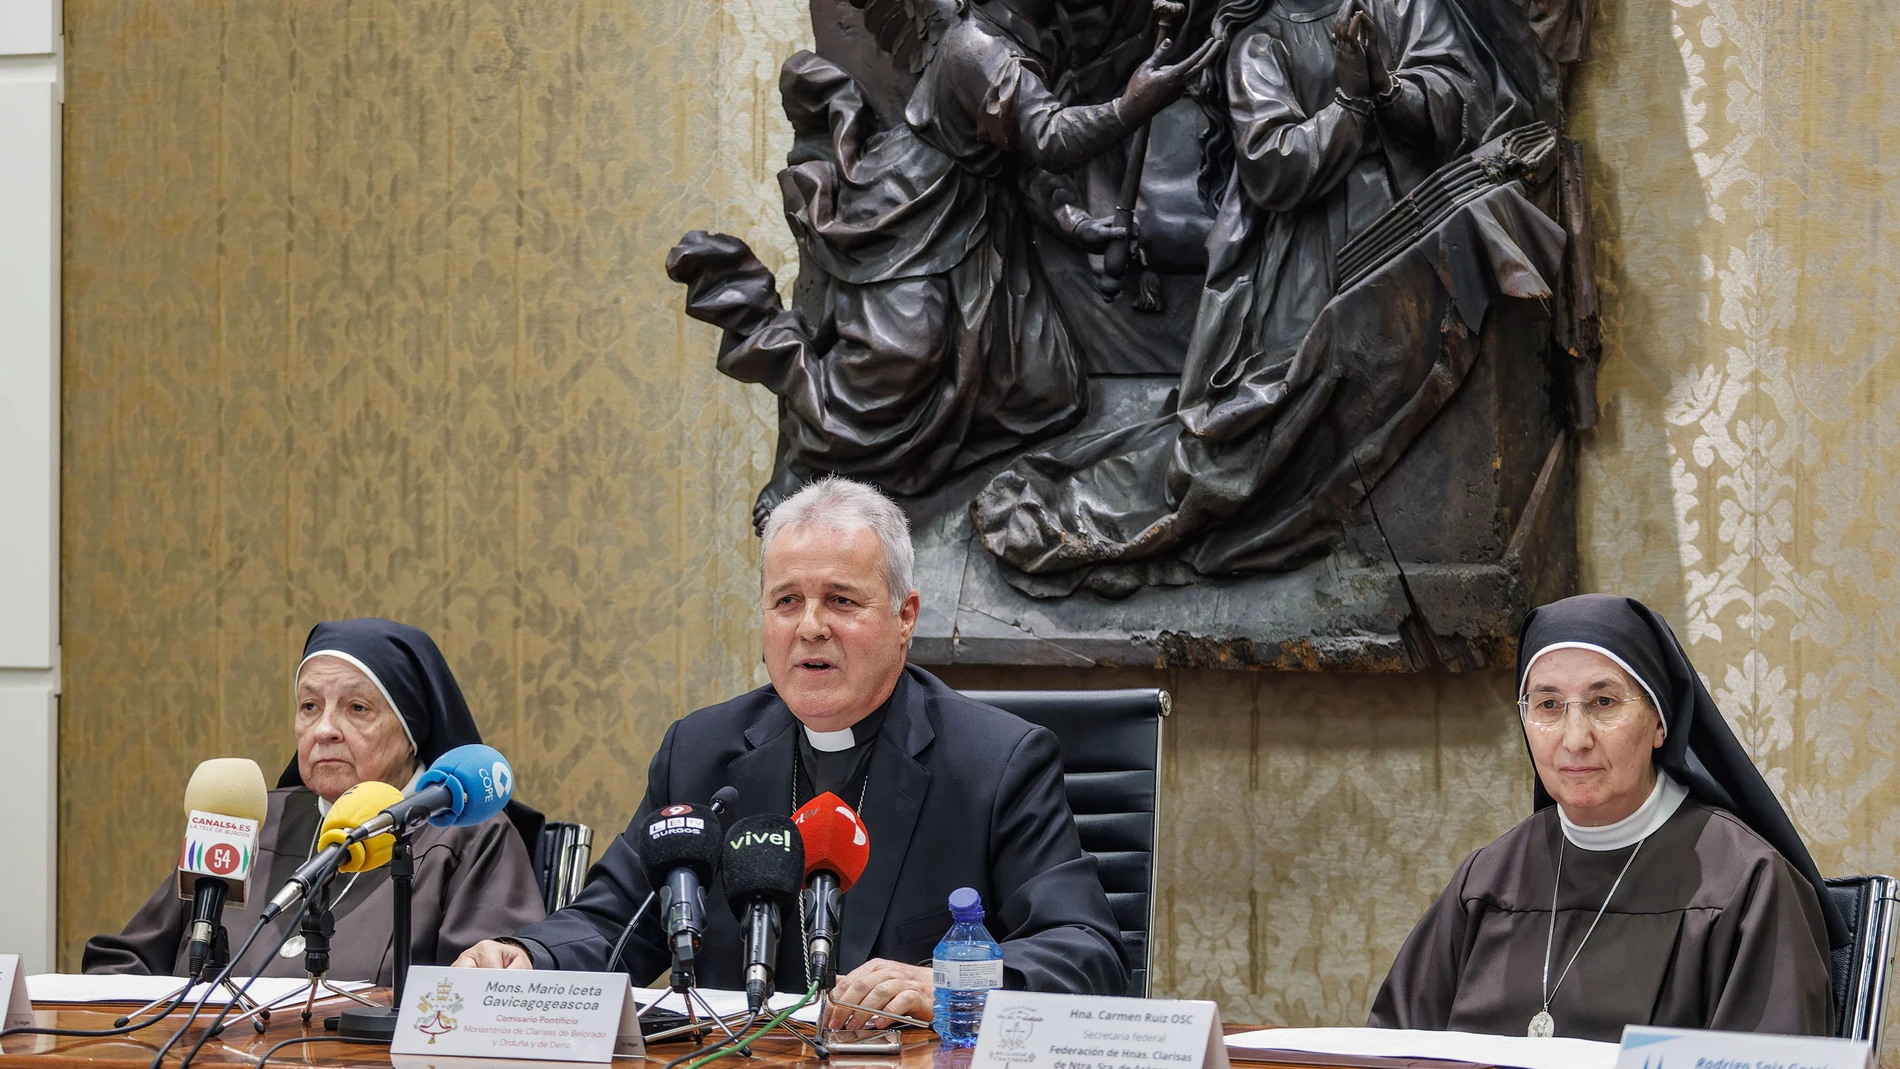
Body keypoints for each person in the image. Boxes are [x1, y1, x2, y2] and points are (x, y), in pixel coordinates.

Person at [455, 476, 1127, 1027]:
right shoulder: (701, 753)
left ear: (905, 617)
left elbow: (1088, 953)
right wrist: (527, 955)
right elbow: (615, 920)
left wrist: (950, 982)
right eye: (786, 601)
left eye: (841, 600)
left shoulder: (996, 762)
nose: (810, 626)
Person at [1369, 593, 1842, 1040]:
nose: (1575, 739)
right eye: (1548, 705)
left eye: (1604, 702)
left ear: (1660, 722)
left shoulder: (1745, 882)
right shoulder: (1485, 881)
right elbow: (1390, 1047)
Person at [84, 619, 547, 981]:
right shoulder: (248, 820)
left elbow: (484, 993)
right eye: (309, 707)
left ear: (412, 733)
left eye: (357, 708)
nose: (324, 729)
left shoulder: (469, 835)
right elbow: (123, 963)